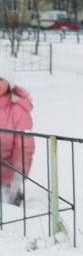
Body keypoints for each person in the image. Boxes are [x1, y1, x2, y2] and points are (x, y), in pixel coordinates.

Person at [0, 57, 35, 205]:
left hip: (6, 177)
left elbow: (24, 147)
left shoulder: (18, 111)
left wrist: (18, 174)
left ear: (9, 83)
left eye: (0, 79)